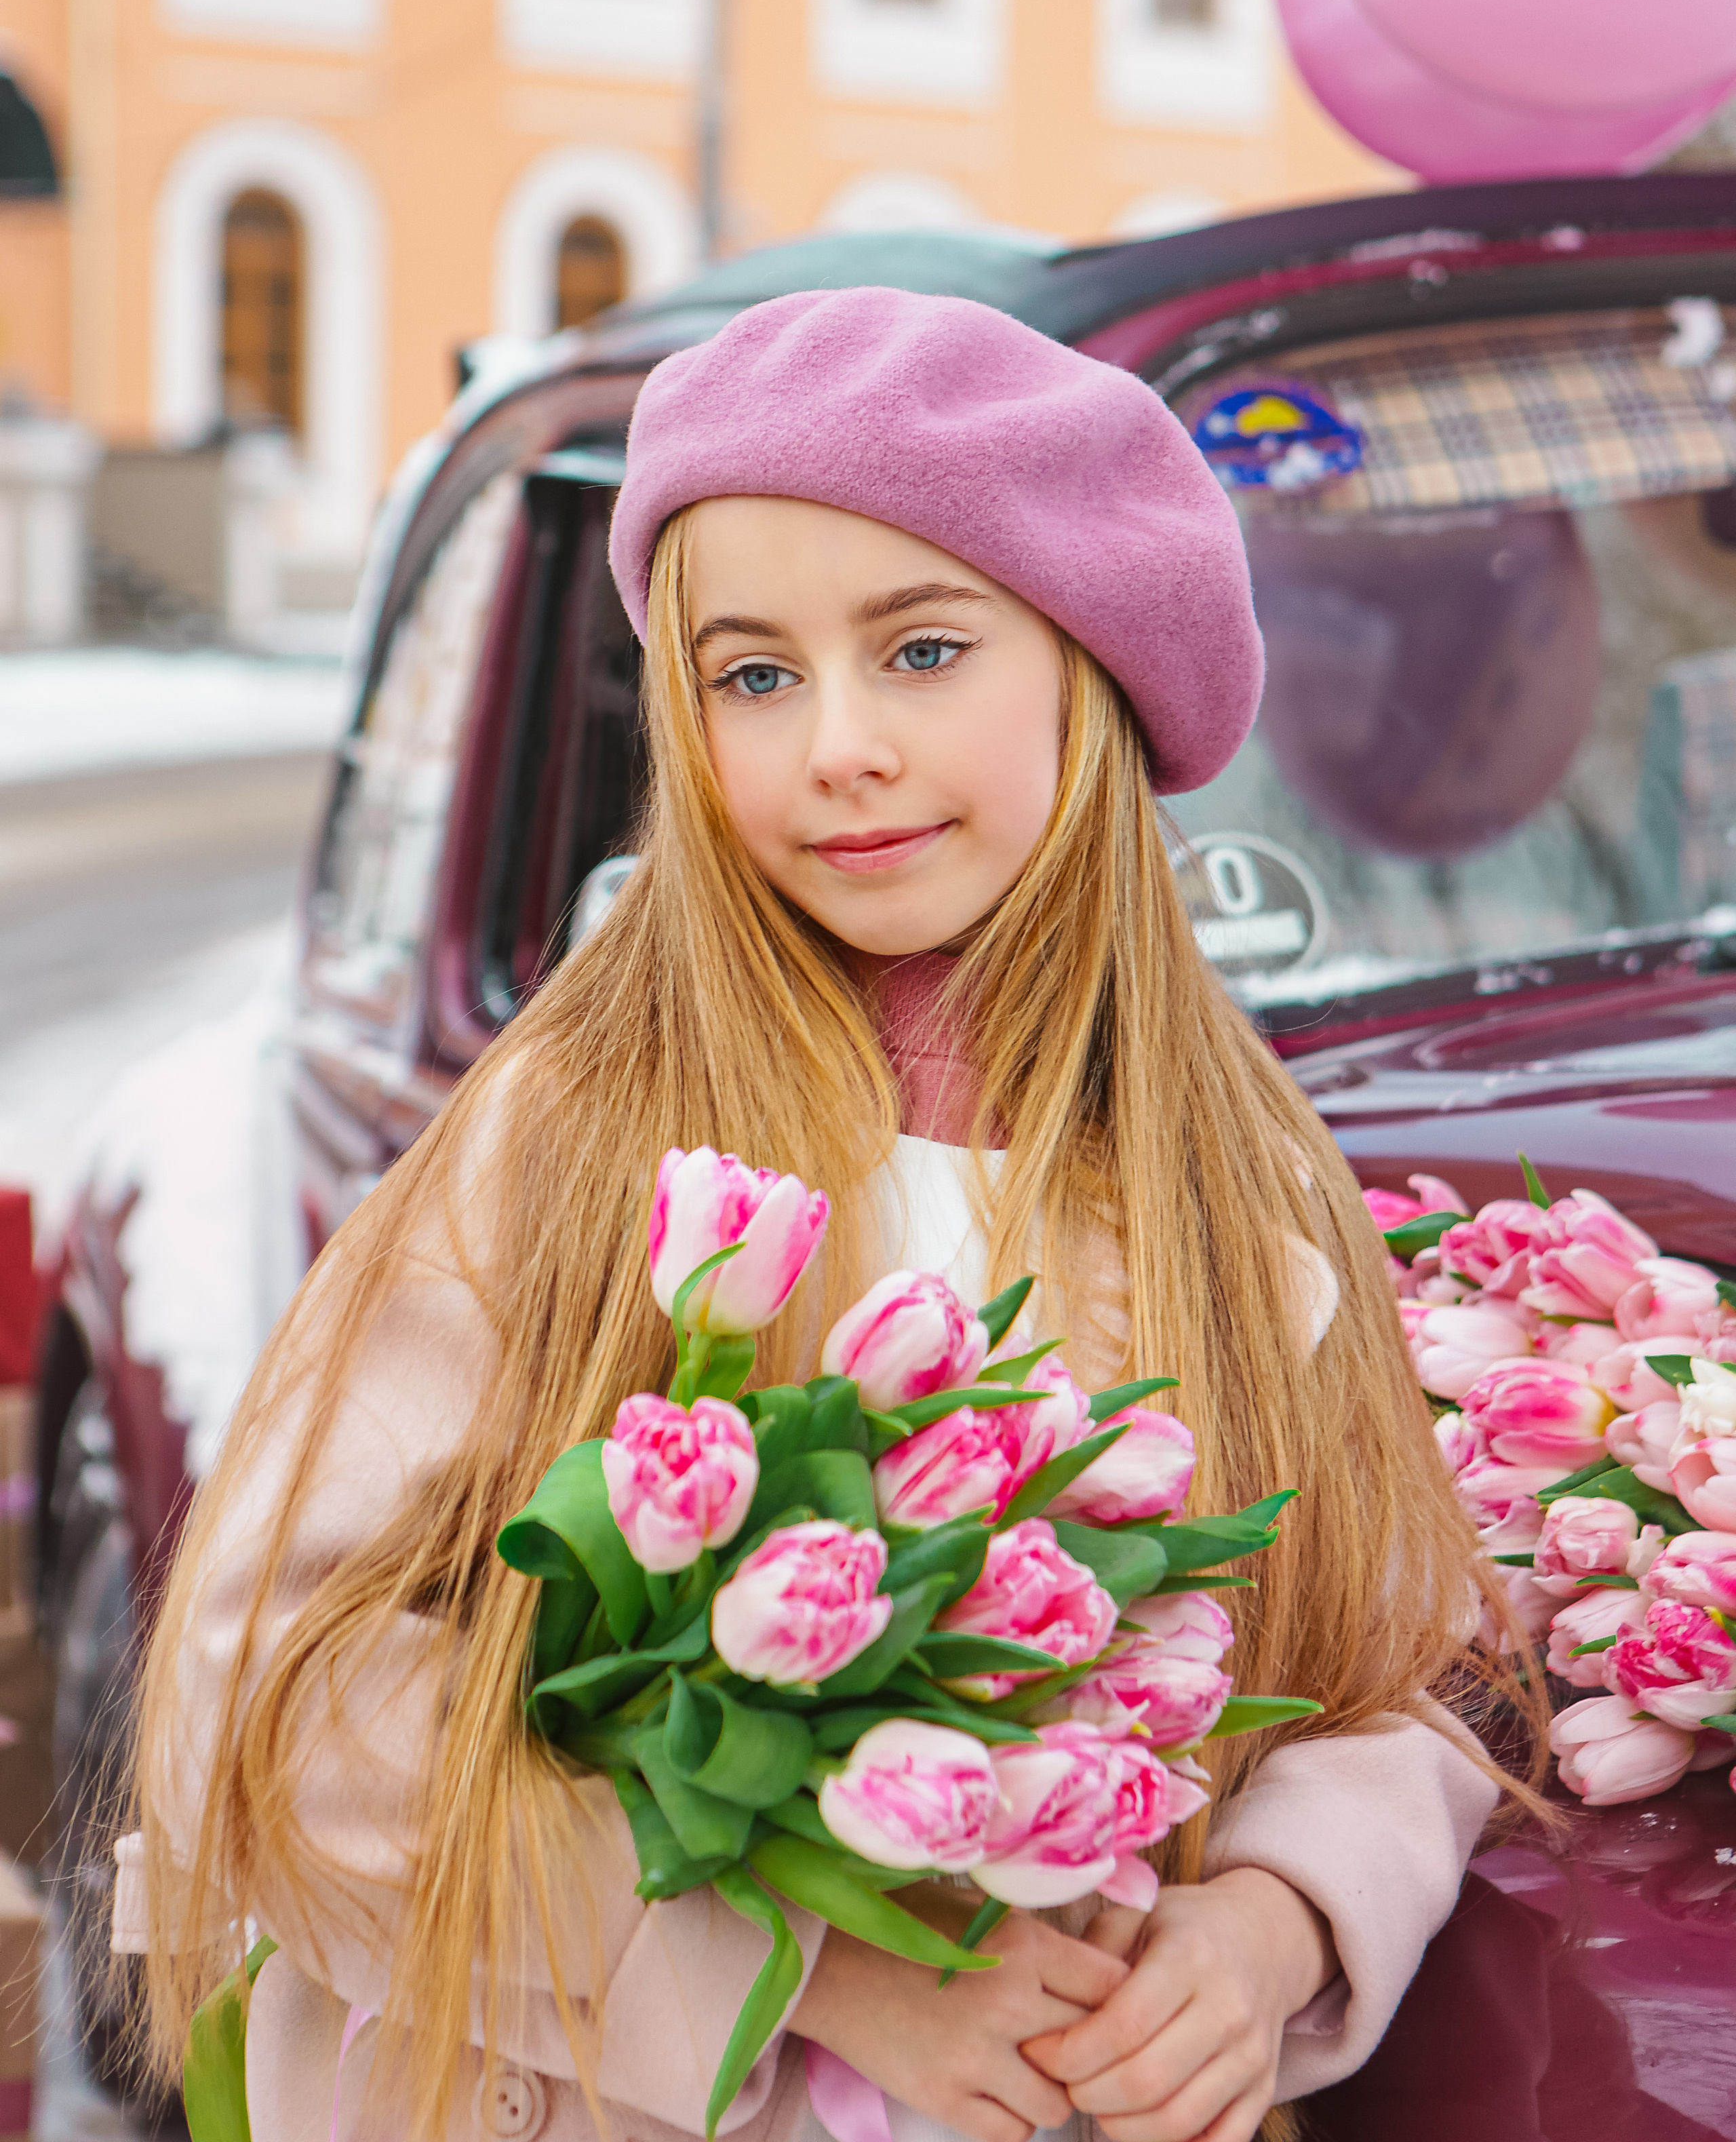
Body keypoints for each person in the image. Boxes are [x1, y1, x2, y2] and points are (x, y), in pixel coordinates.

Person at [121, 290, 1534, 2142]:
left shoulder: (1232, 1182)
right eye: (755, 677)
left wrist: (1272, 1925)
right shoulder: (576, 1137)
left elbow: (1392, 1667)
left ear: (1092, 674)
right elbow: (278, 1692)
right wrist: (805, 1976)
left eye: (923, 651)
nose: (838, 746)